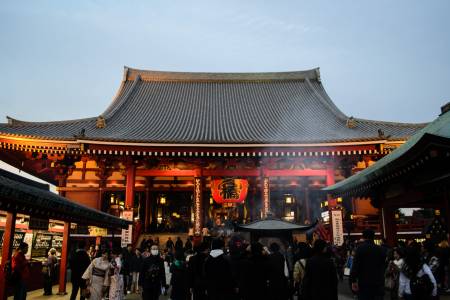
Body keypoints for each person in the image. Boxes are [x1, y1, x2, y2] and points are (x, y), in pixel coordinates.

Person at [350, 229, 386, 300]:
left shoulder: (360, 249)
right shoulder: (380, 249)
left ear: (363, 237)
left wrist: (353, 280)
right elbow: (383, 265)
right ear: (374, 237)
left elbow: (356, 266)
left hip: (364, 282)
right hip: (378, 281)